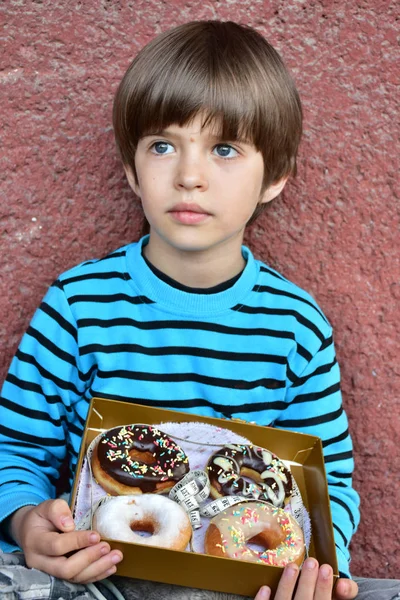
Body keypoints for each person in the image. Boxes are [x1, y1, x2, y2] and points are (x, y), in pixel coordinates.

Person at [0, 20, 399, 600]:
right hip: (95, 579)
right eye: (163, 146)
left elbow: (328, 482)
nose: (189, 176)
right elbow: (14, 450)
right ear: (132, 170)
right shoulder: (78, 306)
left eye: (224, 149)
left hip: (240, 584)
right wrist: (25, 524)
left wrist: (313, 567)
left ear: (276, 177)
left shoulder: (295, 327)